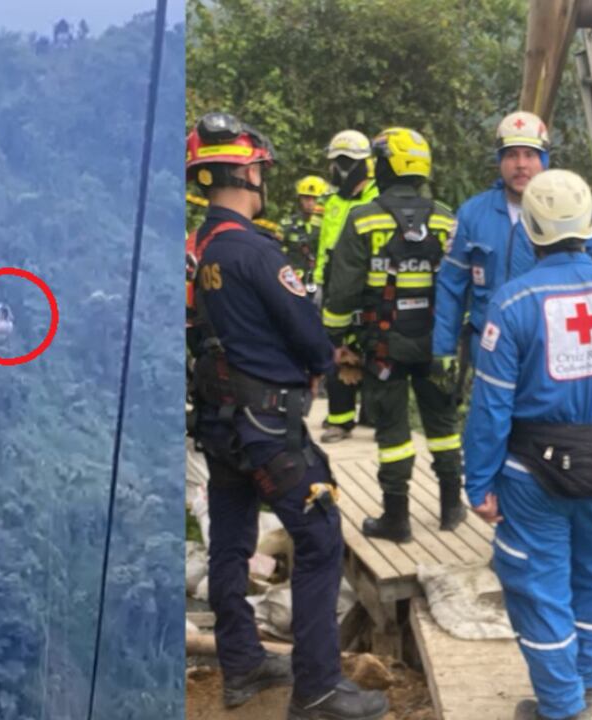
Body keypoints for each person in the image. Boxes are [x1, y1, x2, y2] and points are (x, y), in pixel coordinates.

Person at [186, 112, 387, 720]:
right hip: (268, 429)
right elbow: (306, 334)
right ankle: (319, 687)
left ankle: (243, 663)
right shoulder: (254, 250)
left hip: (219, 426)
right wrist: (328, 356)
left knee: (229, 541)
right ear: (248, 170)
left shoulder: (199, 251)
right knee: (321, 535)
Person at [464, 169, 592, 720]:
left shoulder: (512, 302)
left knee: (539, 589)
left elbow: (490, 408)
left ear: (529, 232)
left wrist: (478, 482)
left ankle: (562, 707)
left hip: (534, 475)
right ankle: (590, 683)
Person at [323, 127, 465, 541]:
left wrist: (336, 339)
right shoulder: (445, 217)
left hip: (382, 345)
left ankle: (397, 518)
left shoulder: (363, 218)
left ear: (384, 165)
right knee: (443, 423)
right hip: (437, 344)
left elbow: (342, 292)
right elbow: (461, 284)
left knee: (393, 433)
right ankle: (452, 508)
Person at [433, 110, 592, 399]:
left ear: (543, 160)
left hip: (558, 355)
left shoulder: (574, 209)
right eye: (511, 155)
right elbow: (451, 285)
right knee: (493, 423)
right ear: (499, 160)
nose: (521, 165)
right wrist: (443, 350)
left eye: (530, 155)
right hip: (490, 348)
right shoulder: (472, 215)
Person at [316, 130, 380, 443]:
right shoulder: (333, 203)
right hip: (335, 284)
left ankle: (373, 414)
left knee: (375, 349)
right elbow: (324, 247)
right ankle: (340, 420)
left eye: (336, 164)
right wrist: (317, 282)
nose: (333, 171)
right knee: (337, 348)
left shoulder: (376, 198)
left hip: (368, 284)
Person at [282, 175, 328, 295]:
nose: (310, 203)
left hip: (320, 285)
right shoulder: (288, 224)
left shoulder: (328, 226)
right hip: (293, 285)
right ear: (299, 199)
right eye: (306, 198)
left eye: (315, 199)